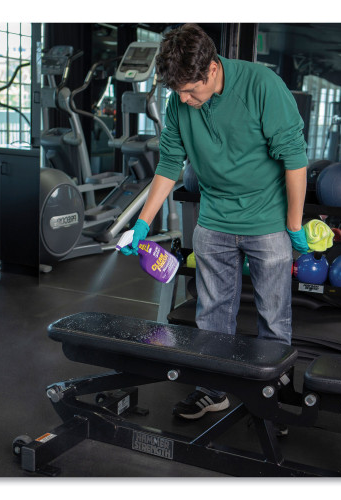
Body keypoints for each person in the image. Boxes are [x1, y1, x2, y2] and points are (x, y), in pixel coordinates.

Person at [119, 24, 309, 421]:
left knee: (273, 317)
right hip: (214, 219)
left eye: (190, 90)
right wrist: (143, 223)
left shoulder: (262, 86)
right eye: (177, 92)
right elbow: (169, 164)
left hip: (267, 221)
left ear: (212, 68)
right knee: (211, 315)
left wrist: (293, 224)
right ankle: (213, 390)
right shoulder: (178, 102)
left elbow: (294, 159)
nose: (183, 99)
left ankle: (271, 400)